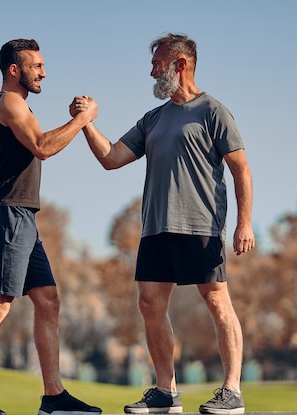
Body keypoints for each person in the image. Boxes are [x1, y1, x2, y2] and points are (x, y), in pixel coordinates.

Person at [71, 33, 254, 414]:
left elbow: (241, 169)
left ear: (180, 64)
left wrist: (244, 223)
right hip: (156, 227)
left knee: (217, 300)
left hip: (201, 225)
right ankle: (165, 393)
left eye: (158, 63)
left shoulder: (212, 111)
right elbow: (111, 157)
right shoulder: (152, 119)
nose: (151, 70)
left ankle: (232, 392)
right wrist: (86, 123)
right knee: (150, 302)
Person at [0, 38, 102, 415]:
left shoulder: (11, 108)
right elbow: (41, 146)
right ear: (14, 69)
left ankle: (53, 397)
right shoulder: (9, 103)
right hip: (9, 214)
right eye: (36, 65)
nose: (43, 72)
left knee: (48, 300)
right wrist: (82, 120)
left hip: (20, 215)